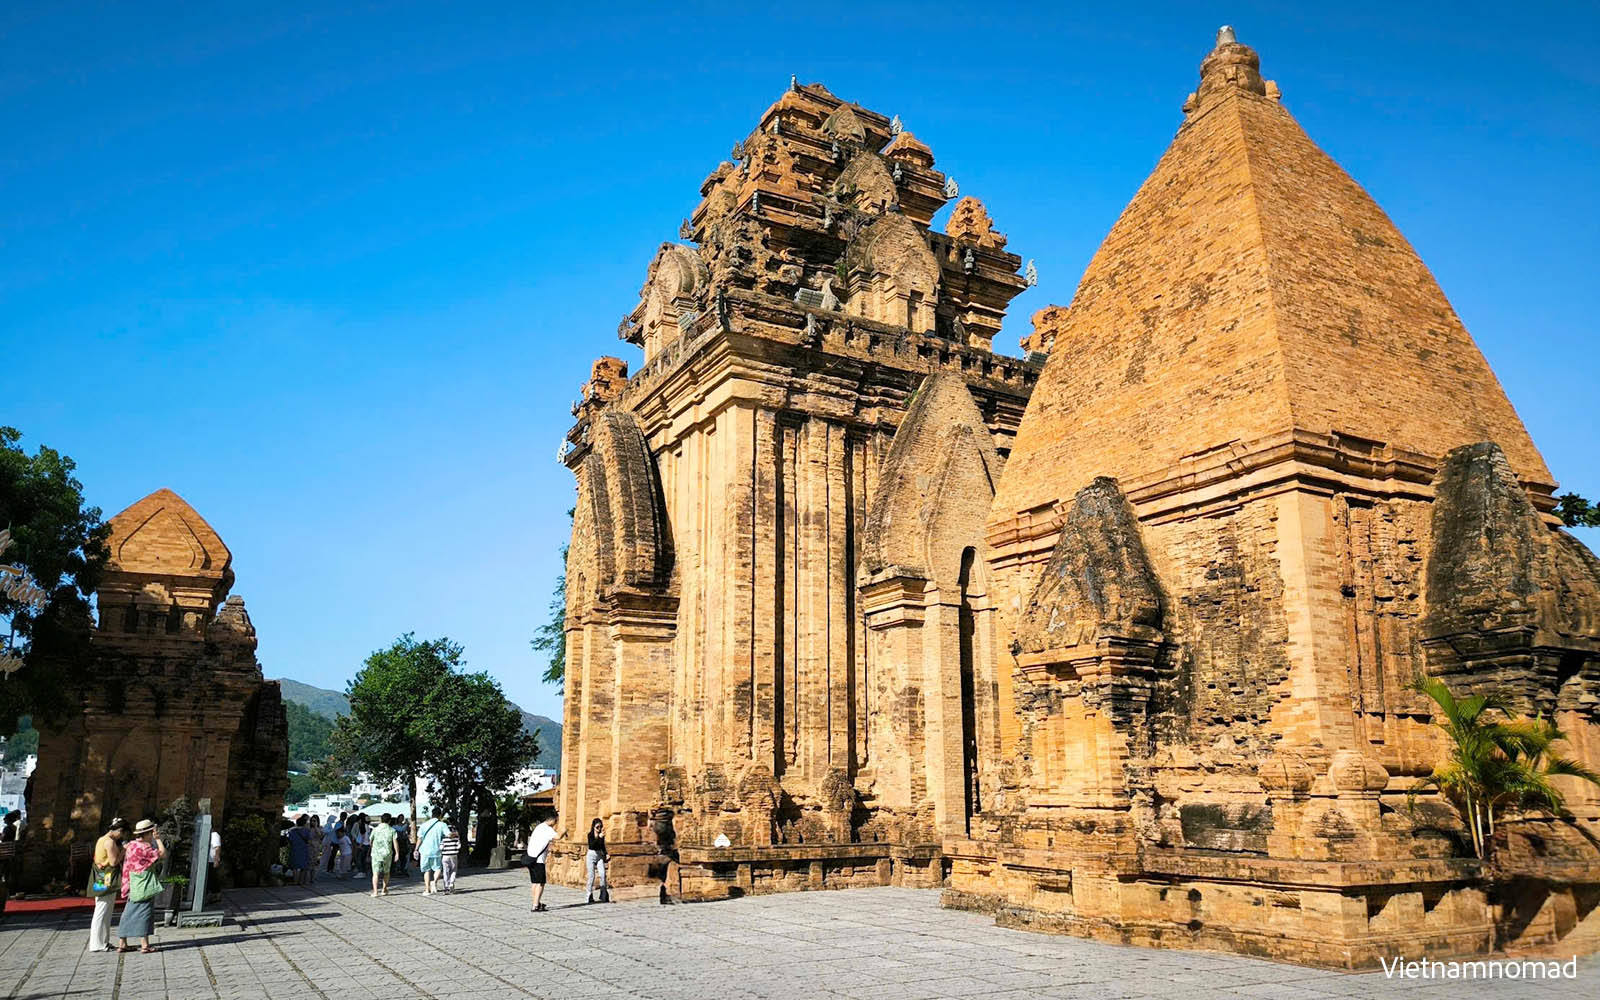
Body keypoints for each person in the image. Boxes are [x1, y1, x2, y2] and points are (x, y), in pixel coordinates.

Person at [116, 819, 166, 954]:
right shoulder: (145, 847)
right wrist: (158, 839)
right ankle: (145, 945)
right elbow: (162, 854)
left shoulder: (132, 845)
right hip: (144, 884)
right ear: (148, 833)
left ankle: (122, 943)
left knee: (128, 913)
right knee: (144, 913)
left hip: (132, 883)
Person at [87, 817, 127, 953]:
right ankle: (97, 943)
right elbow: (114, 862)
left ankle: (102, 941)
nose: (121, 836)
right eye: (122, 833)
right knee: (103, 910)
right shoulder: (109, 842)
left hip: (100, 875)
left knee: (103, 909)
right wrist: (123, 851)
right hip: (107, 876)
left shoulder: (101, 839)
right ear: (119, 830)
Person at [526, 811, 562, 913]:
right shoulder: (547, 829)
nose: (556, 822)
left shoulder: (539, 827)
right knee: (540, 883)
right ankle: (535, 905)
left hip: (531, 858)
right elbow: (558, 837)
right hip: (539, 860)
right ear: (552, 819)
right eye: (556, 820)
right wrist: (564, 831)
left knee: (534, 882)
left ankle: (536, 902)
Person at [416, 808, 447, 896]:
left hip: (424, 850)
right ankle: (434, 881)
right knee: (437, 868)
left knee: (426, 870)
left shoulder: (424, 824)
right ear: (440, 815)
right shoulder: (442, 825)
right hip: (436, 850)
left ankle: (427, 889)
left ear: (431, 814)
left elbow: (420, 838)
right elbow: (448, 834)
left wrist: (416, 849)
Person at [369, 814, 399, 897]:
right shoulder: (392, 830)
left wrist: (372, 849)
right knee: (386, 872)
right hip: (387, 854)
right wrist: (397, 853)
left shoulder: (375, 829)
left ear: (381, 820)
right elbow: (395, 842)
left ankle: (375, 892)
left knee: (375, 873)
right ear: (389, 821)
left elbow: (370, 841)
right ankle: (384, 889)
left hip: (376, 854)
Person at [585, 818, 609, 904]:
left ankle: (603, 895)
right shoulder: (590, 835)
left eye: (601, 826)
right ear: (593, 827)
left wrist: (606, 853)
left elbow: (602, 846)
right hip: (591, 855)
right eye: (597, 827)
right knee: (591, 876)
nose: (599, 829)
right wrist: (598, 837)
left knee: (602, 875)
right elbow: (592, 845)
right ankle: (589, 895)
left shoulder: (601, 835)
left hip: (599, 856)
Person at [287, 815, 312, 885]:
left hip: (294, 850)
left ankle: (295, 881)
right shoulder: (307, 831)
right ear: (304, 823)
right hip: (304, 850)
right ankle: (301, 881)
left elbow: (290, 840)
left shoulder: (292, 831)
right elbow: (309, 840)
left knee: (295, 867)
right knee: (303, 867)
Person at [439, 822, 461, 894]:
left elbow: (441, 847)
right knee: (453, 870)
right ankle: (451, 883)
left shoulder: (443, 838)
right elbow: (459, 846)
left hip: (445, 856)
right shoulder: (456, 837)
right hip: (454, 855)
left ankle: (446, 886)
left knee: (446, 871)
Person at [306, 815, 322, 883]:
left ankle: (312, 879)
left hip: (316, 847)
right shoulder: (309, 828)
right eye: (311, 821)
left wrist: (316, 827)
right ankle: (308, 878)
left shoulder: (319, 828)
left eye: (314, 821)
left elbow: (320, 835)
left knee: (314, 864)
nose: (312, 822)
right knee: (309, 863)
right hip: (309, 847)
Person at [208, 825, 222, 898]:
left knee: (213, 877)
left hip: (212, 860)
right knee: (210, 877)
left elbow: (217, 847)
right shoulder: (208, 835)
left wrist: (216, 860)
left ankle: (216, 894)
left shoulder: (214, 835)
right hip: (208, 860)